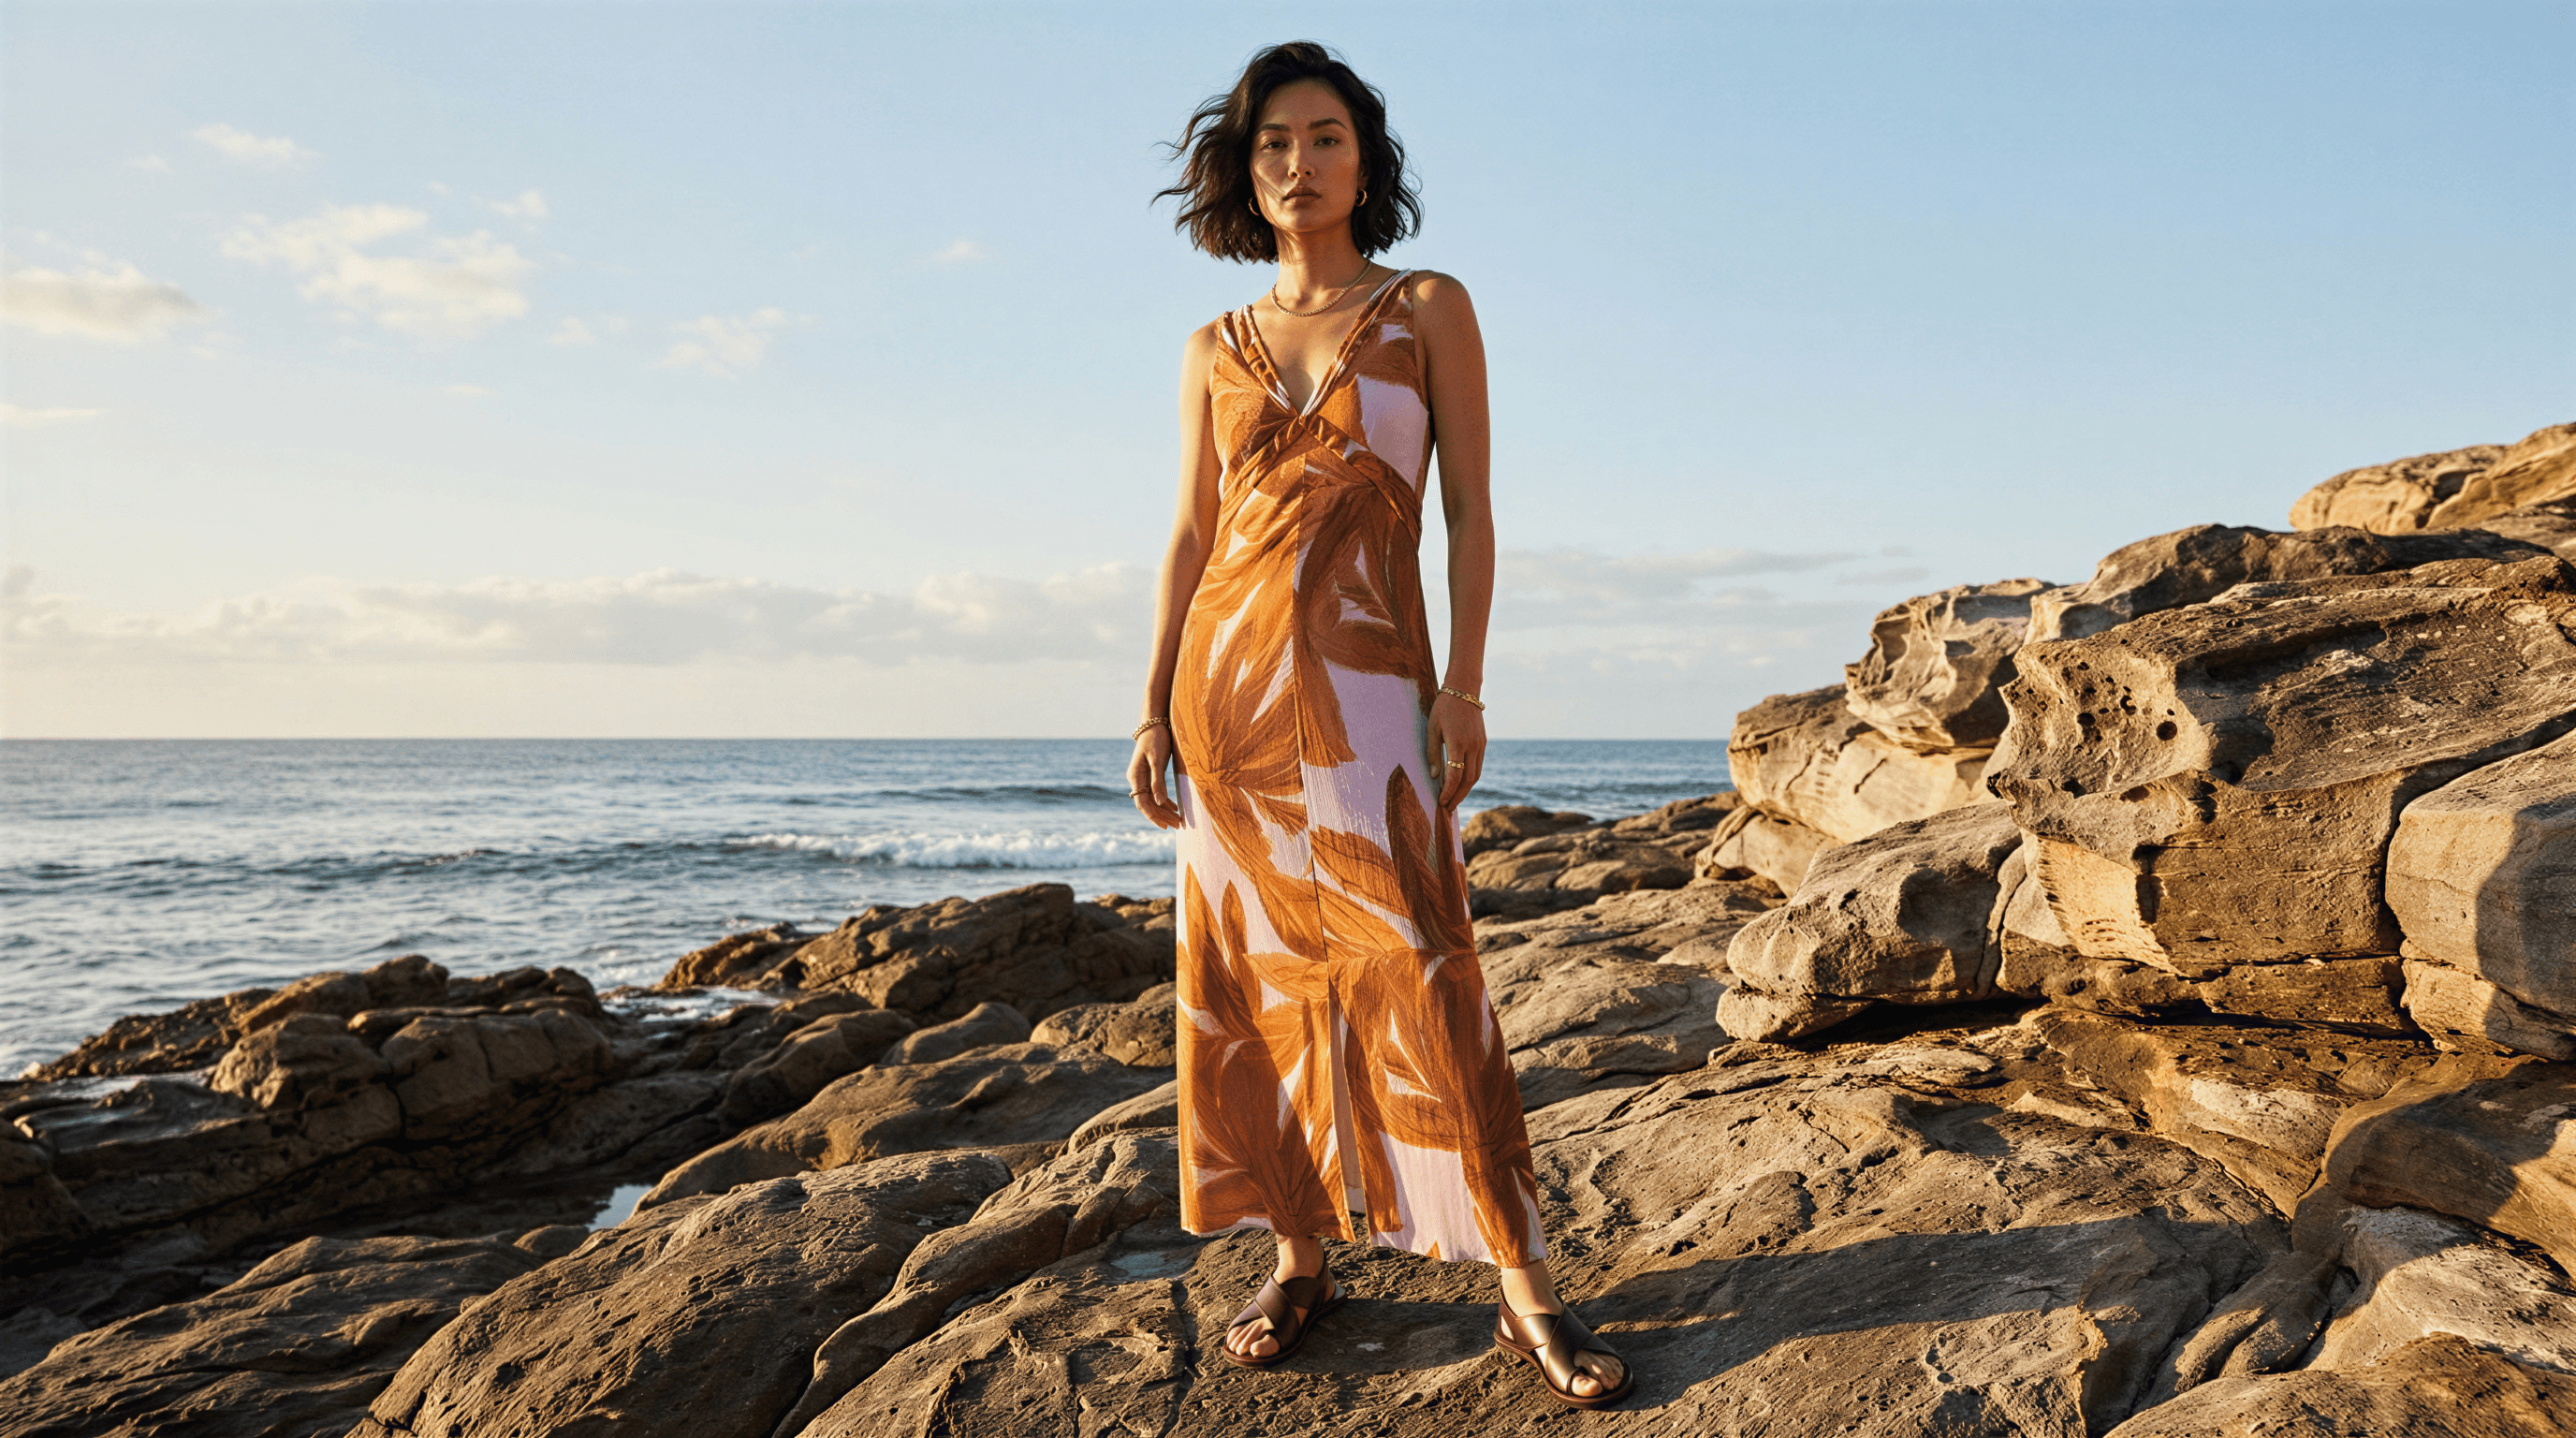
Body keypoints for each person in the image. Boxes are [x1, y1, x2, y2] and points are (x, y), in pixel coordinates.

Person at [1126, 40, 1634, 1410]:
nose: (1301, 164)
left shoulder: (1427, 306)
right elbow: (1189, 534)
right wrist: (1146, 704)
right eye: (1275, 143)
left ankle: (1524, 1281)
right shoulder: (1209, 348)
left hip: (1369, 697)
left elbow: (1469, 510)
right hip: (1222, 708)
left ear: (1367, 157)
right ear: (1244, 170)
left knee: (1422, 968)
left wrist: (1463, 685)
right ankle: (1300, 1256)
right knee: (1263, 984)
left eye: (1328, 137)